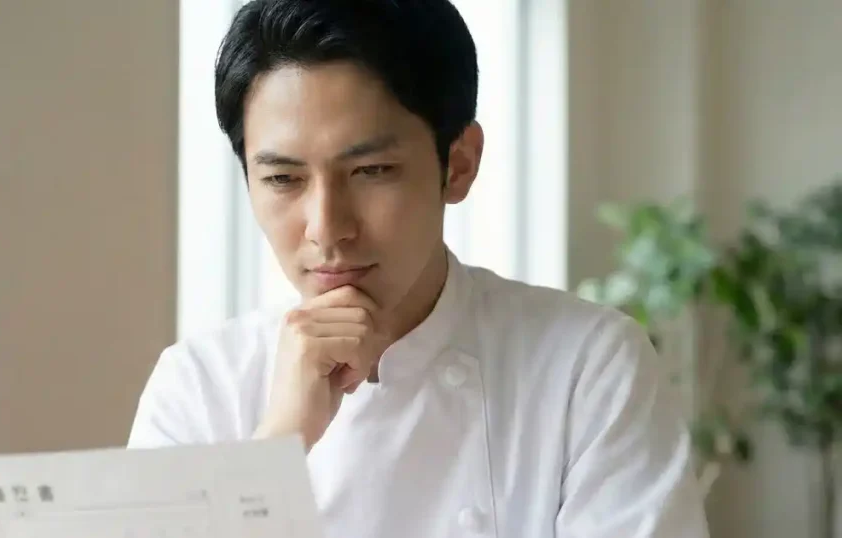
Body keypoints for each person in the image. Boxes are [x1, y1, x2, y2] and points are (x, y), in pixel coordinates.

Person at [128, 0, 710, 536]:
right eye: (283, 178)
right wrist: (280, 443)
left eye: (371, 171)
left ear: (459, 165)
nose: (326, 228)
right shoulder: (200, 386)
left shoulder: (586, 365)